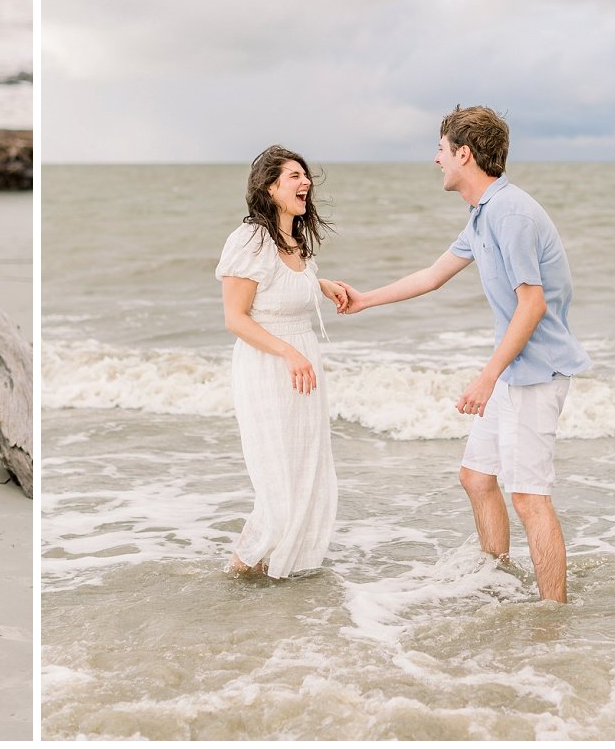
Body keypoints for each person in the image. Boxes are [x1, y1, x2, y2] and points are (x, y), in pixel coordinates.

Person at [336, 105, 589, 603]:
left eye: (441, 150)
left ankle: (552, 617)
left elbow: (531, 304)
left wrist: (486, 377)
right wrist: (365, 299)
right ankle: (497, 581)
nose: (436, 160)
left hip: (536, 374)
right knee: (476, 477)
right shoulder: (483, 214)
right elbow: (431, 276)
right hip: (516, 370)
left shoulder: (510, 214)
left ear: (464, 154)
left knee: (529, 496)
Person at [216, 146, 347, 577]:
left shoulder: (295, 240)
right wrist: (288, 351)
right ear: (269, 187)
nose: (304, 181)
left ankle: (276, 574)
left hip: (303, 370)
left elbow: (282, 286)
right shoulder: (250, 239)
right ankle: (239, 574)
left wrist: (321, 285)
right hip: (269, 368)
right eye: (293, 176)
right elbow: (236, 318)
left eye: (304, 174)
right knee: (279, 487)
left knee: (306, 475)